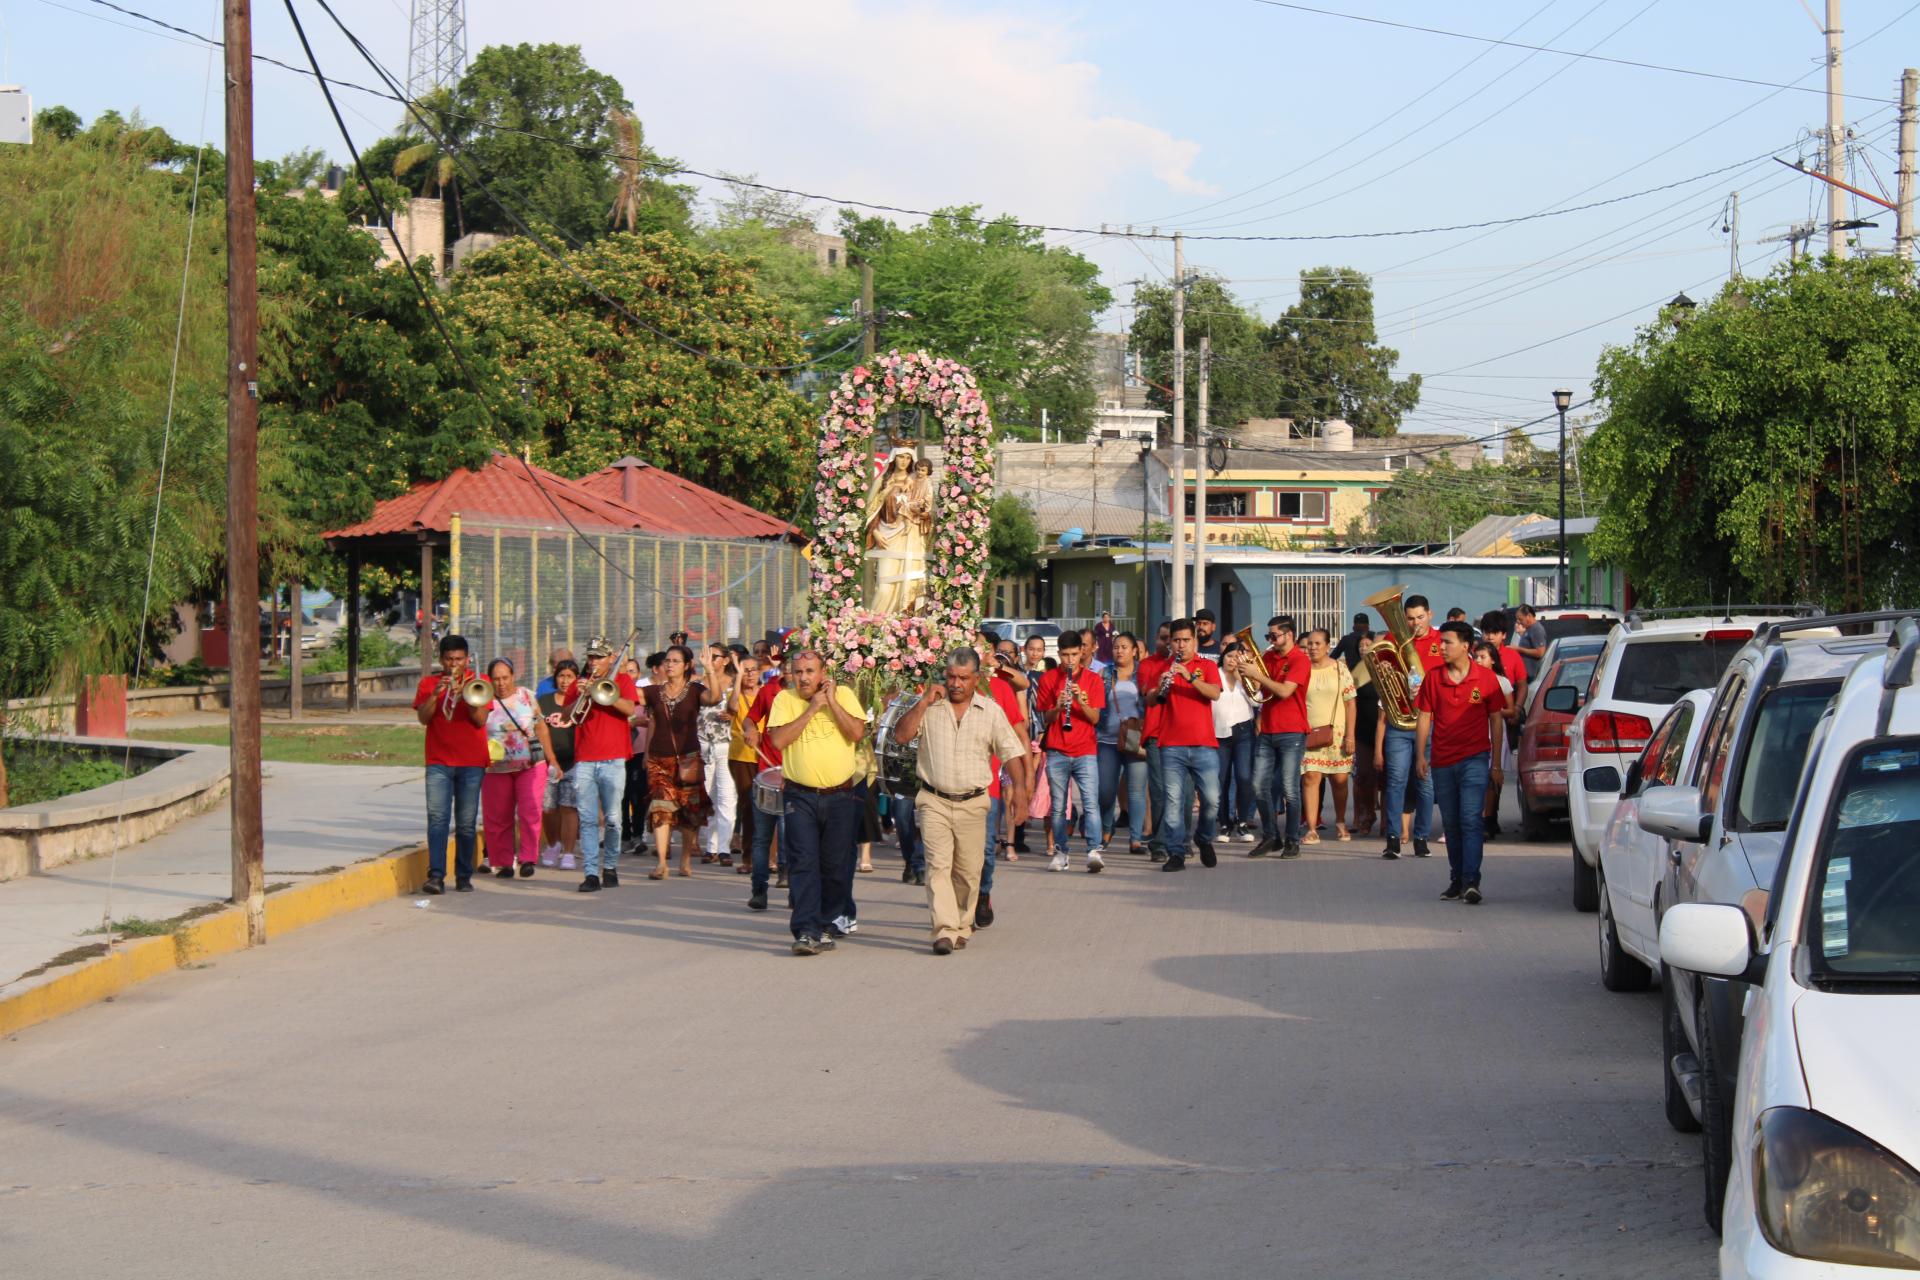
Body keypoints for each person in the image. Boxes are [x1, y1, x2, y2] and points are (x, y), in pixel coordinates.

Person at [893, 648, 1030, 954]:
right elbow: (901, 737)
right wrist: (923, 701)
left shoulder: (990, 711)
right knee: (938, 866)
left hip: (973, 802)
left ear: (976, 679)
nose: (955, 683)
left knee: (968, 872)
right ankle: (944, 929)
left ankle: (962, 924)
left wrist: (1020, 793)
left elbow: (1011, 753)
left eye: (963, 678)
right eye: (951, 676)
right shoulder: (931, 706)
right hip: (934, 801)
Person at [766, 650, 871, 956]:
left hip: (840, 795)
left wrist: (832, 703)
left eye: (810, 671)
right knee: (803, 862)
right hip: (800, 795)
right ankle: (806, 930)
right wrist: (812, 709)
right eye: (798, 672)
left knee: (836, 865)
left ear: (823, 673)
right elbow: (778, 741)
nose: (804, 677)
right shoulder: (784, 701)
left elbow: (855, 732)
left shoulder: (845, 695)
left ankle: (826, 922)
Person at [1415, 622, 1509, 904]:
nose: (1441, 647)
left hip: (1475, 759)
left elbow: (1496, 719)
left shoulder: (1486, 678)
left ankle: (1472, 880)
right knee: (1452, 823)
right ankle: (1456, 879)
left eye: (1447, 642)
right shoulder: (1434, 678)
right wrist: (1421, 754)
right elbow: (1424, 717)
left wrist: (1496, 763)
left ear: (1466, 645)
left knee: (1470, 820)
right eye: (1441, 642)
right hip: (1443, 760)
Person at [631, 645, 724, 880]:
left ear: (686, 666)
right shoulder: (652, 691)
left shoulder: (695, 690)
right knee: (661, 808)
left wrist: (710, 670)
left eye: (675, 661)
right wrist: (617, 672)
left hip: (689, 759)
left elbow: (714, 698)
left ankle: (684, 858)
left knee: (689, 812)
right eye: (667, 661)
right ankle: (662, 863)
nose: (669, 665)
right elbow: (626, 695)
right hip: (659, 759)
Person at [561, 636, 640, 892]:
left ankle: (610, 867)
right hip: (584, 759)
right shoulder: (579, 683)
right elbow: (565, 716)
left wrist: (603, 694)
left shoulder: (622, 681)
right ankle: (591, 873)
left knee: (615, 819)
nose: (593, 661)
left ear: (610, 659)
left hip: (614, 759)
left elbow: (629, 709)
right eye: (590, 657)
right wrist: (582, 695)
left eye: (599, 657)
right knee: (587, 819)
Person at [413, 634, 489, 894]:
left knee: (466, 822)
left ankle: (464, 875)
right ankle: (435, 875)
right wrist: (436, 694)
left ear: (467, 659)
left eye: (458, 659)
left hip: (471, 762)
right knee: (437, 819)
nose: (453, 664)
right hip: (438, 761)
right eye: (449, 659)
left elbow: (480, 721)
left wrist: (466, 696)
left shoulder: (480, 683)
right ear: (441, 659)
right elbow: (424, 718)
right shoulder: (428, 683)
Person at [1149, 618, 1223, 872]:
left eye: (1185, 640)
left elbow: (1214, 693)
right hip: (1171, 745)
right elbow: (1149, 700)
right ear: (1170, 642)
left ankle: (1203, 838)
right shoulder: (1162, 666)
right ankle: (1176, 853)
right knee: (1173, 802)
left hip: (1203, 744)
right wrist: (1160, 684)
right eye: (1176, 640)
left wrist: (1189, 677)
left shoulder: (1206, 666)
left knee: (1212, 800)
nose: (1180, 645)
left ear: (1194, 641)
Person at [1374, 594, 1441, 861]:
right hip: (1399, 721)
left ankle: (1421, 838)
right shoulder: (1393, 640)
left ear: (1430, 615)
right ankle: (1393, 839)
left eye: (1420, 617)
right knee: (1396, 780)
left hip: (1430, 722)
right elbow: (1380, 673)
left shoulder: (1441, 642)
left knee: (1425, 782)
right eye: (1410, 618)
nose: (1415, 624)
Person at [480, 657, 557, 879]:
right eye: (496, 679)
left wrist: (552, 758)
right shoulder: (483, 699)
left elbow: (541, 726)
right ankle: (503, 862)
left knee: (529, 811)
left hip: (530, 764)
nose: (501, 683)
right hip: (495, 769)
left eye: (505, 677)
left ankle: (527, 858)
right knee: (497, 817)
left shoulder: (527, 696)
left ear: (513, 676)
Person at [1035, 629, 1106, 872]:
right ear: (1059, 654)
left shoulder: (1094, 679)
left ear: (1082, 652)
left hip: (1085, 750)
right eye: (1065, 655)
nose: (1069, 660)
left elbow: (1095, 718)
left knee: (1090, 803)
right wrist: (1058, 705)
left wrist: (1081, 701)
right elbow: (1046, 718)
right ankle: (1061, 853)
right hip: (1057, 750)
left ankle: (1094, 851)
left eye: (1074, 655)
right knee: (1057, 806)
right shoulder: (1048, 679)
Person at [977, 637, 1034, 925]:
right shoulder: (949, 685)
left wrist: (1024, 786)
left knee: (987, 849)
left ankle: (982, 893)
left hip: (988, 787)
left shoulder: (999, 686)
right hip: (950, 788)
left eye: (982, 648)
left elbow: (1018, 736)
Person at [1244, 615, 1310, 858]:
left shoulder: (1300, 659)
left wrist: (1257, 675)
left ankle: (1292, 840)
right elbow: (1258, 690)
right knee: (1259, 785)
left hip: (1292, 730)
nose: (1270, 641)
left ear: (1289, 635)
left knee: (1289, 788)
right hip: (1268, 729)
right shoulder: (1269, 657)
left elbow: (1284, 690)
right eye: (1268, 636)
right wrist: (1246, 671)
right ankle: (1271, 836)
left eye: (1274, 636)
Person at [1299, 629, 1358, 844]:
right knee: (1310, 778)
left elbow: (1351, 702)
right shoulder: (1302, 669)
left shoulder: (1339, 669)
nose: (1312, 648)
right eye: (1309, 644)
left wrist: (1350, 735)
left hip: (1338, 734)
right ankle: (1312, 828)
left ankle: (1341, 821)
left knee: (1339, 780)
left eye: (1317, 643)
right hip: (1310, 732)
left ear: (1327, 646)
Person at [1476, 612, 1529, 840]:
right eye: (1486, 632)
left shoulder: (1512, 657)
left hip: (1504, 723)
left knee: (1495, 772)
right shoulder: (1476, 660)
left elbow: (1521, 685)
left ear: (1504, 635)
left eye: (1494, 632)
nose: (1489, 636)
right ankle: (1485, 817)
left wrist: (1516, 709)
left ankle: (1491, 815)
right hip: (1479, 728)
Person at [743, 655, 790, 911]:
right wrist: (750, 729)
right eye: (789, 667)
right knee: (762, 837)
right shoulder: (769, 689)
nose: (795, 674)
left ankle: (790, 879)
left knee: (790, 834)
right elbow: (750, 717)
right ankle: (759, 889)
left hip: (797, 774)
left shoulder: (813, 695)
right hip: (768, 771)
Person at [1097, 631, 1150, 855]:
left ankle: (1135, 839)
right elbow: (1097, 704)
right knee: (1106, 791)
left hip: (1135, 739)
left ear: (1135, 651)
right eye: (1117, 646)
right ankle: (1107, 828)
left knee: (1136, 791)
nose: (1119, 650)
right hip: (1107, 740)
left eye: (1125, 647)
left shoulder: (1144, 674)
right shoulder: (1104, 673)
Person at [698, 646, 740, 866]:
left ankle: (724, 848)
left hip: (726, 746)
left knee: (726, 798)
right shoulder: (697, 684)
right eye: (707, 656)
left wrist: (733, 716)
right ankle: (710, 847)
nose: (709, 660)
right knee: (707, 797)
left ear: (725, 661)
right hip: (703, 746)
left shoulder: (735, 682)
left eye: (714, 657)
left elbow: (741, 709)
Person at [537, 660, 581, 870]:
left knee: (568, 807)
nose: (565, 681)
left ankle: (569, 852)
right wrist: (550, 759)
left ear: (577, 679)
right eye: (561, 676)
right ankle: (553, 845)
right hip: (549, 763)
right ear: (555, 678)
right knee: (548, 808)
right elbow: (538, 729)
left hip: (574, 763)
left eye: (570, 676)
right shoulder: (544, 701)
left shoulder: (582, 702)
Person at [1213, 644, 1258, 842]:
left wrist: (1243, 679)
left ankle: (1243, 822)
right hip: (1218, 733)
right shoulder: (1215, 674)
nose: (1233, 660)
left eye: (1237, 656)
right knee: (1221, 779)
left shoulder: (1245, 677)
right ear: (1223, 657)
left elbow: (1257, 702)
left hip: (1243, 732)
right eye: (1229, 656)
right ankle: (1224, 823)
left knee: (1244, 777)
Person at [1137, 621, 1174, 861]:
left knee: (1182, 793)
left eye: (1172, 638)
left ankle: (1178, 839)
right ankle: (1160, 843)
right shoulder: (1148, 665)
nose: (1167, 643)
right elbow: (1147, 695)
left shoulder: (1189, 665)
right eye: (1163, 638)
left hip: (1183, 736)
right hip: (1156, 734)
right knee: (1160, 791)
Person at [725, 654, 762, 874]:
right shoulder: (735, 694)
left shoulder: (767, 693)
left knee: (769, 807)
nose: (749, 674)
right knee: (748, 805)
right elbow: (732, 707)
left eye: (752, 670)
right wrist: (737, 678)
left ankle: (771, 857)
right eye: (745, 670)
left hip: (765, 756)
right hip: (741, 756)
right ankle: (748, 858)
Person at [1512, 602, 1548, 682]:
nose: (1519, 622)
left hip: (1531, 675)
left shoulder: (1536, 629)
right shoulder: (1528, 629)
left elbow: (1540, 652)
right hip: (1524, 675)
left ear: (1528, 616)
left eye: (1521, 619)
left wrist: (1518, 649)